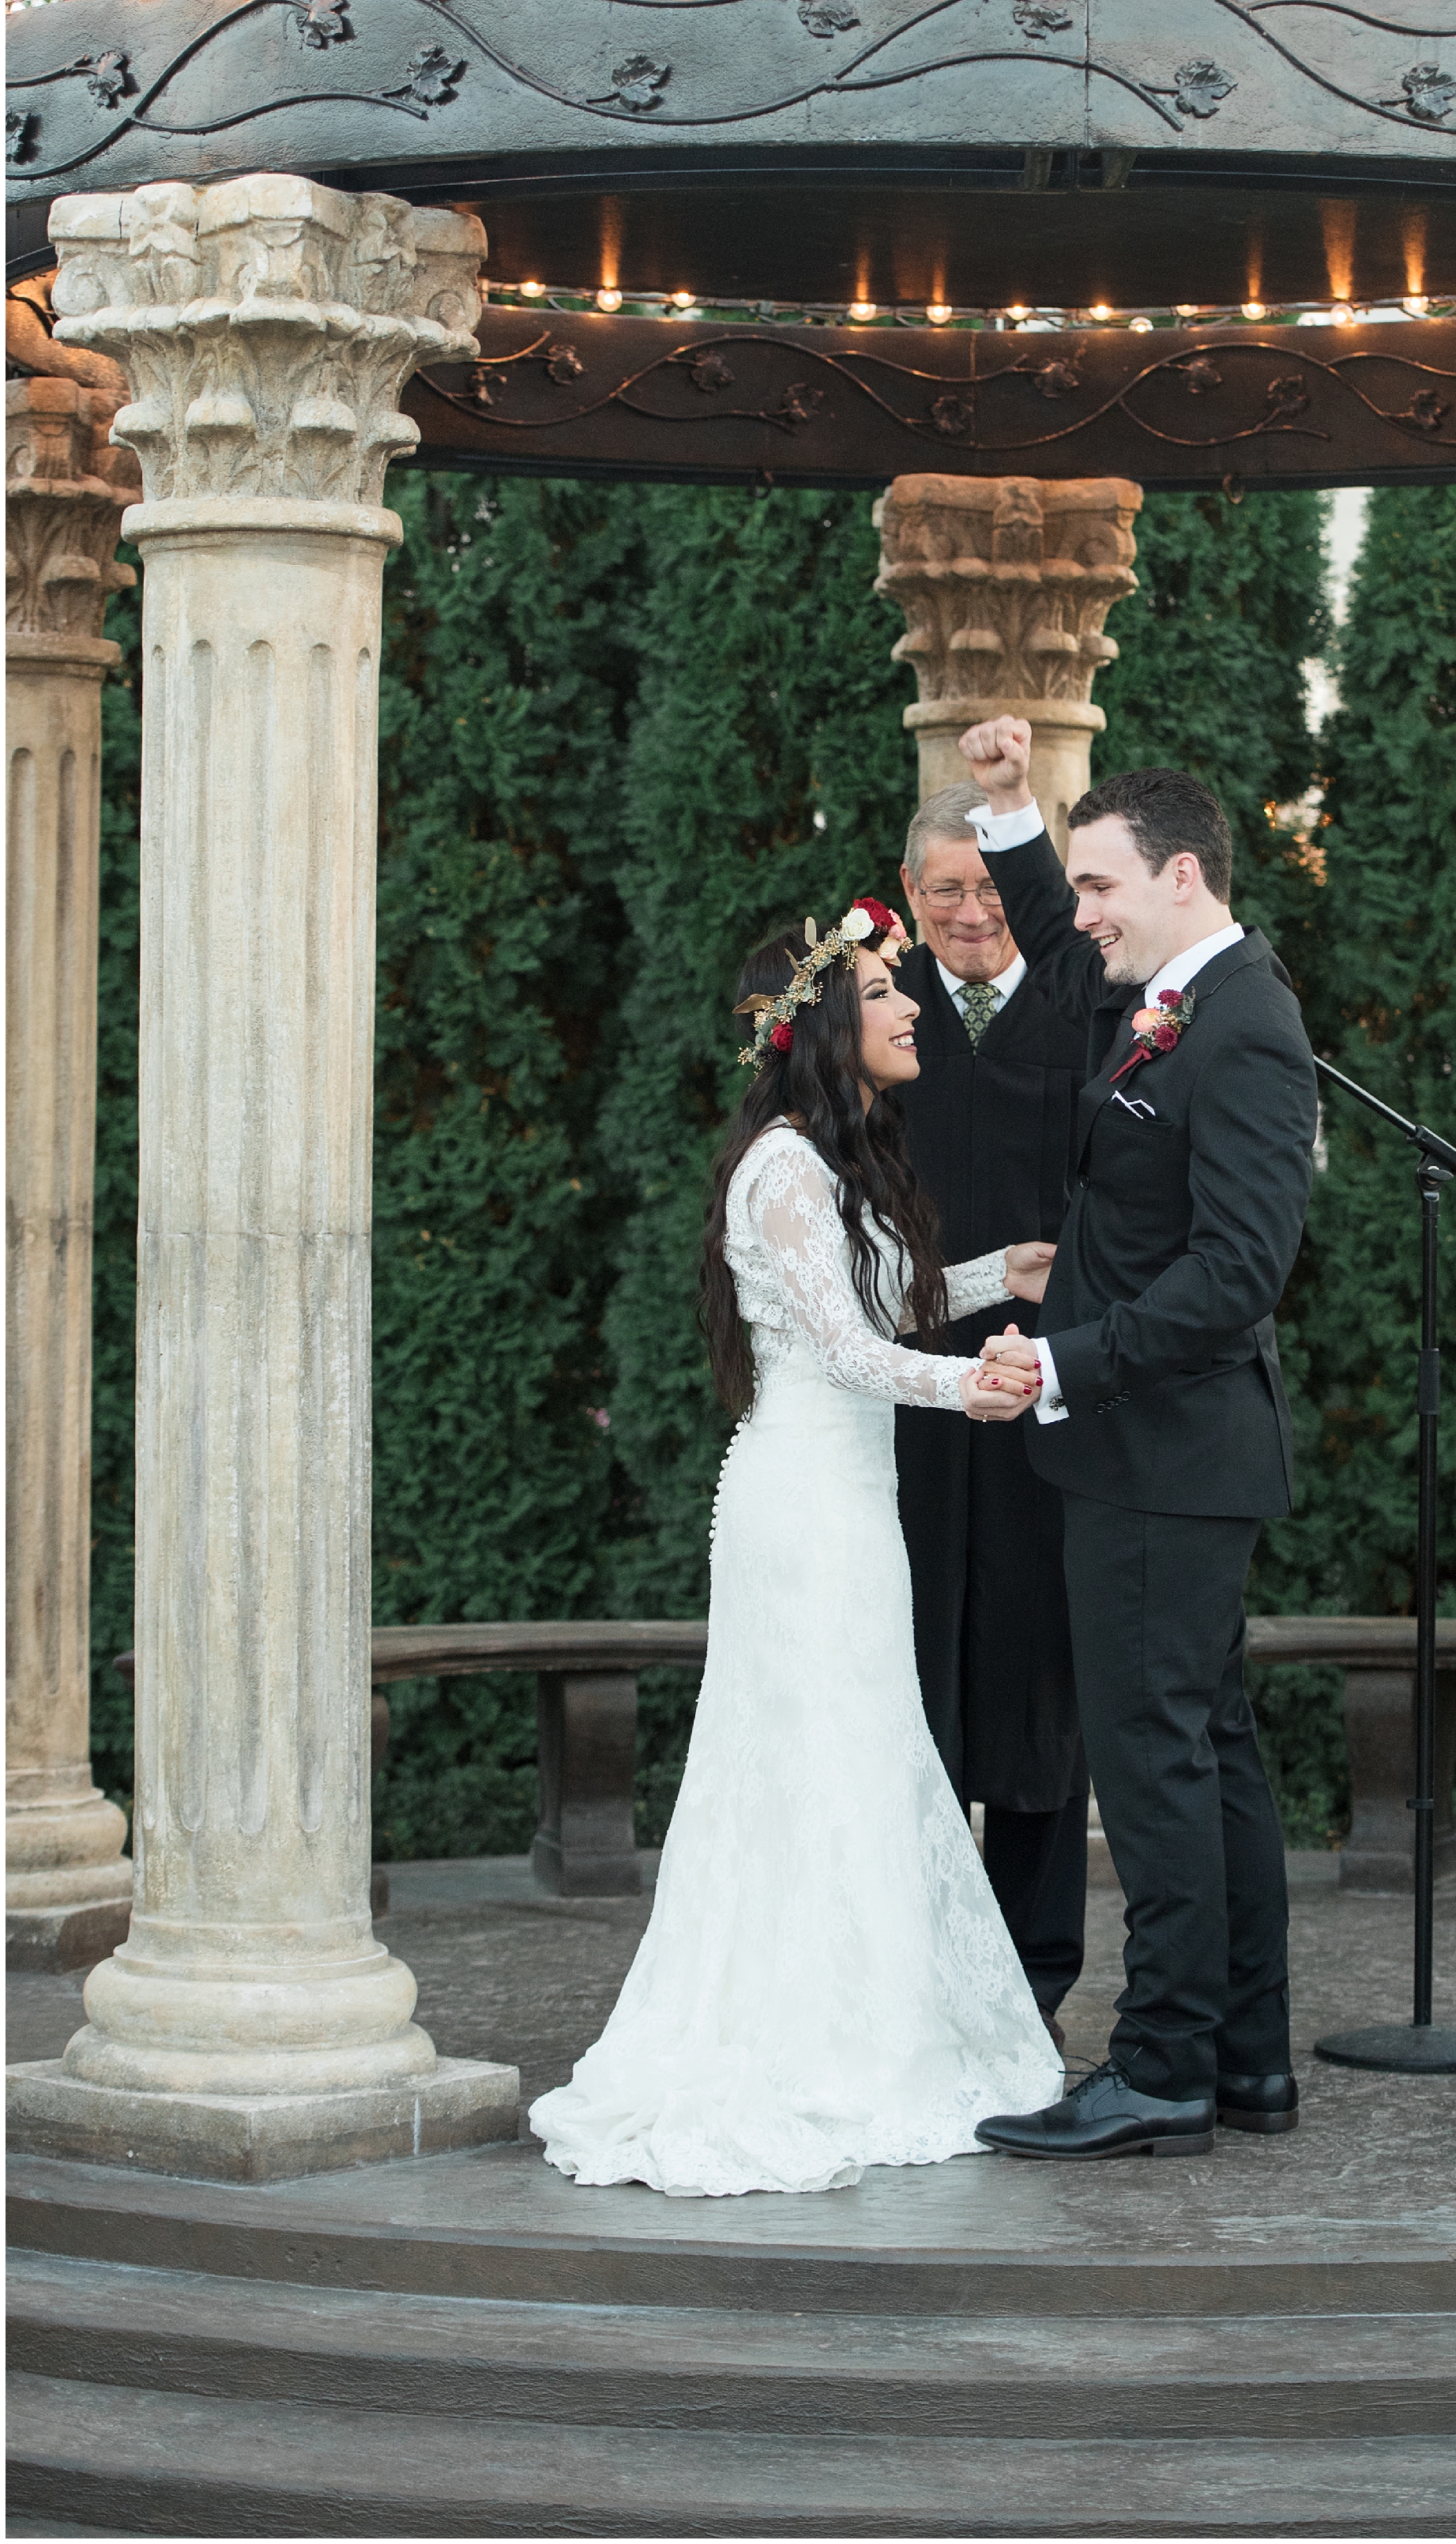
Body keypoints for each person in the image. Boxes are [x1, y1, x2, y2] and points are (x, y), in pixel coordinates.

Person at [530, 897, 1062, 2197]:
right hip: (804, 1512)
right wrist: (973, 1393)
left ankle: (868, 2021)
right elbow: (839, 1352)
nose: (910, 1006)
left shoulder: (831, 1165)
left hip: (844, 1504)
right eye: (885, 992)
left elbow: (888, 1299)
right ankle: (813, 2046)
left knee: (859, 1756)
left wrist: (1007, 1274)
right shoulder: (780, 1169)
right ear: (827, 1023)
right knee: (821, 1757)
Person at [956, 718, 1319, 2164]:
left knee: (1154, 1760)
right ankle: (1246, 2056)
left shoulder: (1244, 1025)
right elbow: (1054, 936)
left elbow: (1239, 1276)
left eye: (1102, 885)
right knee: (1208, 1752)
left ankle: (1161, 2063)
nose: (1081, 909)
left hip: (1161, 1456)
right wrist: (1012, 811)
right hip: (1152, 1456)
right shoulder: (1165, 988)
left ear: (1180, 876)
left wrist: (1062, 1364)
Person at [891, 783, 1091, 2045]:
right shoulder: (875, 1021)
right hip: (903, 1410)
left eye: (989, 886)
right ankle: (911, 1969)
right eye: (944, 890)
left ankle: (1034, 1987)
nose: (971, 913)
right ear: (910, 896)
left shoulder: (1082, 1023)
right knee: (907, 1686)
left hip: (1037, 1403)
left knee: (1036, 1687)